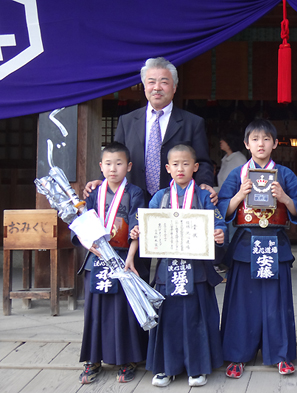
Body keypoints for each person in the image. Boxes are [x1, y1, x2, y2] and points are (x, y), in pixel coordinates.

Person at [217, 119, 297, 378]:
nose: (260, 144)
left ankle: (281, 355)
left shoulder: (284, 174)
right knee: (243, 303)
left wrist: (285, 198)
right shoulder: (238, 174)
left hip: (276, 241)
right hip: (245, 242)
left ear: (275, 144)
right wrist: (239, 195)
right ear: (246, 144)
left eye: (266, 139)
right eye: (255, 139)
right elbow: (223, 210)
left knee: (277, 302)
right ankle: (237, 354)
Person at [137, 143, 226, 388]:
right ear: (167, 168)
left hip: (197, 270)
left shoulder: (204, 196)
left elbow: (220, 224)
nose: (180, 168)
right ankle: (167, 367)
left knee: (196, 318)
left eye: (186, 164)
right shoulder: (160, 197)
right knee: (169, 319)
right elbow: (148, 225)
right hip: (168, 269)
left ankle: (198, 368)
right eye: (175, 164)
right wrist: (140, 230)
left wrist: (219, 233)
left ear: (195, 167)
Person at [85, 57, 216, 203]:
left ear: (174, 87)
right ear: (144, 86)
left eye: (164, 82)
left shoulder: (193, 122)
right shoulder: (127, 121)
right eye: (151, 82)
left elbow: (202, 162)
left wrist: (205, 183)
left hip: (176, 200)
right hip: (131, 200)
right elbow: (115, 156)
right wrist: (101, 180)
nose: (157, 87)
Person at [75, 142, 148, 384]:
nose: (113, 169)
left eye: (118, 164)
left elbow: (139, 228)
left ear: (128, 166)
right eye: (108, 164)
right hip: (96, 260)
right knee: (95, 312)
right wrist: (88, 245)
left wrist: (130, 258)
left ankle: (128, 360)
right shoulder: (94, 193)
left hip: (123, 259)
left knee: (123, 311)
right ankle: (93, 360)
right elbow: (82, 225)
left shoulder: (135, 193)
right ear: (101, 166)